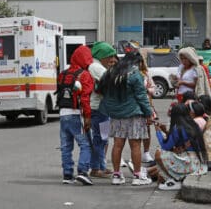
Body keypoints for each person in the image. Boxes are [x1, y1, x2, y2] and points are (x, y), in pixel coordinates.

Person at [98, 51, 153, 186]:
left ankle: (116, 175)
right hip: (133, 113)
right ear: (138, 62)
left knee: (117, 145)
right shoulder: (134, 74)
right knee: (135, 145)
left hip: (116, 115)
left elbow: (100, 90)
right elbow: (141, 96)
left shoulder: (110, 72)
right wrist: (148, 113)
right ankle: (137, 176)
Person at [58, 45, 94, 185]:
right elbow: (84, 98)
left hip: (62, 114)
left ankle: (67, 175)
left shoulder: (63, 73)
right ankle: (83, 171)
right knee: (85, 144)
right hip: (76, 114)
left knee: (66, 146)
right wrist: (88, 117)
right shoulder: (84, 75)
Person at [154, 103, 208, 190]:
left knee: (158, 153)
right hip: (198, 163)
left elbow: (166, 146)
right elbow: (176, 142)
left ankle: (173, 180)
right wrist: (165, 131)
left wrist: (158, 132)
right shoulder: (193, 125)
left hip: (189, 163)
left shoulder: (178, 128)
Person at [88, 41, 116, 178]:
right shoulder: (96, 67)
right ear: (102, 56)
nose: (112, 60)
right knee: (99, 138)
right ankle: (95, 168)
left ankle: (101, 166)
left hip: (102, 109)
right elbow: (113, 81)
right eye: (109, 56)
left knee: (103, 138)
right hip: (98, 109)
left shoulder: (96, 66)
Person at [136, 53, 156, 163]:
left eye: (140, 62)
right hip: (134, 106)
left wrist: (148, 90)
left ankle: (146, 152)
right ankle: (136, 153)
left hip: (147, 104)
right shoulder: (129, 73)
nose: (138, 64)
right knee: (134, 130)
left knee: (147, 129)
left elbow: (153, 87)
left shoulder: (146, 74)